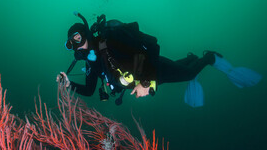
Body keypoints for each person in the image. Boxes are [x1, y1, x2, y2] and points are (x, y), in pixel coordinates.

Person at [57, 12, 261, 107]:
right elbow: (90, 90)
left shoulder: (108, 40)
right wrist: (69, 85)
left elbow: (146, 50)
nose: (77, 45)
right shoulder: (92, 61)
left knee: (188, 74)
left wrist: (145, 82)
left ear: (86, 33)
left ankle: (209, 57)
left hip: (152, 70)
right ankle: (190, 58)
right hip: (143, 79)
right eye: (71, 44)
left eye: (77, 38)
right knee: (178, 69)